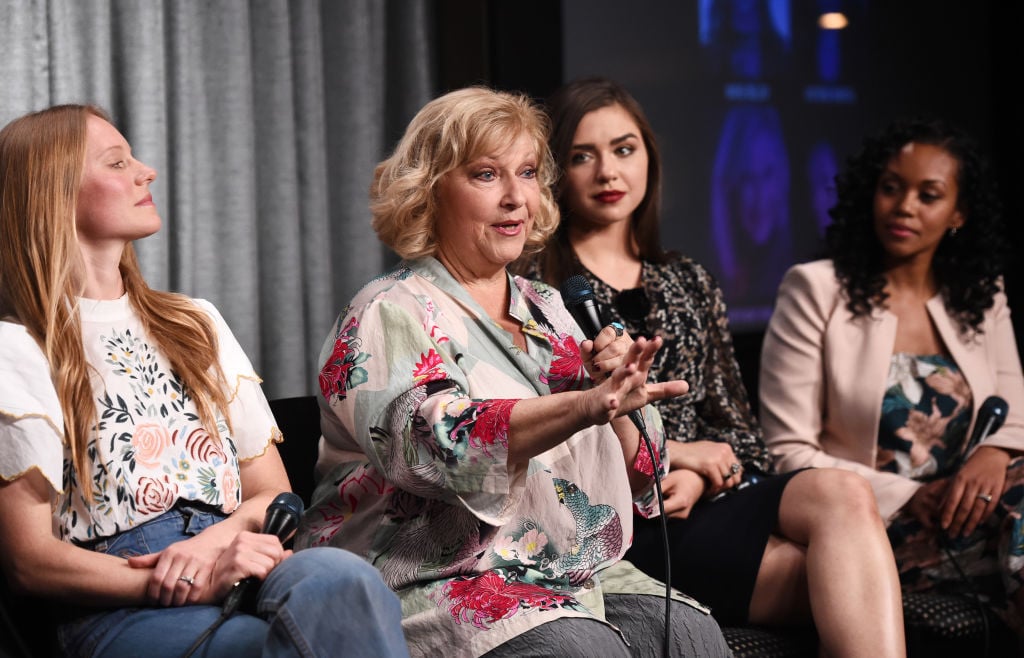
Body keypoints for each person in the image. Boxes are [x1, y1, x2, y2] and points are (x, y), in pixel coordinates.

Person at [292, 86, 731, 658]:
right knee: (581, 649)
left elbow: (642, 472)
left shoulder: (547, 307)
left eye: (526, 173)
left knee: (693, 635)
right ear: (428, 192)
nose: (515, 197)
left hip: (564, 570)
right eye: (485, 175)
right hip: (430, 577)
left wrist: (627, 401)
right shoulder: (387, 311)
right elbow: (438, 450)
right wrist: (582, 406)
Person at [514, 77, 905, 656]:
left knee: (845, 495)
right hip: (624, 526)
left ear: (649, 157)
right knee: (848, 574)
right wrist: (672, 457)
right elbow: (546, 446)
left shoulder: (689, 280)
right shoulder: (537, 291)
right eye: (581, 156)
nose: (607, 172)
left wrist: (700, 472)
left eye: (624, 149)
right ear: (554, 175)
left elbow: (743, 436)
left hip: (715, 499)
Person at [0, 104, 409, 658]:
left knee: (345, 580)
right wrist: (179, 577)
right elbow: (29, 561)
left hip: (244, 560)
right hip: (121, 602)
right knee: (269, 647)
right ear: (53, 192)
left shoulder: (194, 322)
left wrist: (216, 548)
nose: (146, 171)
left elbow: (273, 492)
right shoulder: (16, 348)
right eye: (117, 162)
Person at [759, 116, 1024, 634]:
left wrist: (995, 453)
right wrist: (909, 496)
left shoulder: (982, 294)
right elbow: (785, 452)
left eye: (929, 195)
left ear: (959, 214)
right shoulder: (815, 290)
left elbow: (1015, 411)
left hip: (979, 514)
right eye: (891, 188)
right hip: (876, 526)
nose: (904, 207)